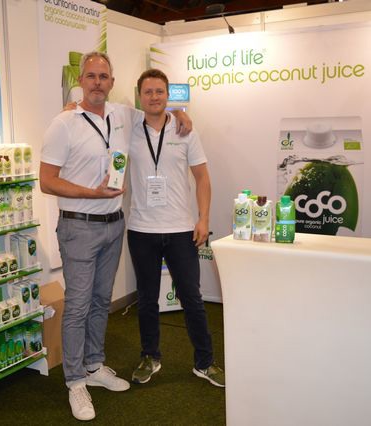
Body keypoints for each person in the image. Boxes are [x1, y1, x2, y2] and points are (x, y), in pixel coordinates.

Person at [40, 52, 191, 422]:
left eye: (103, 76)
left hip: (113, 225)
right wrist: (92, 194)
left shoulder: (122, 114)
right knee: (77, 305)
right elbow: (47, 181)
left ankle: (94, 365)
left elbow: (156, 111)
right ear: (81, 80)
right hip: (78, 225)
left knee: (100, 301)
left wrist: (181, 113)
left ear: (112, 81)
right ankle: (75, 381)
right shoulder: (64, 123)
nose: (97, 82)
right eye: (91, 76)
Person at [127, 69, 225, 388]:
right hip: (141, 230)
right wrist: (72, 107)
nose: (154, 97)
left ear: (168, 95)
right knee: (146, 299)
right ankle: (150, 356)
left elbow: (203, 178)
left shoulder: (185, 131)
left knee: (192, 297)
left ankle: (204, 362)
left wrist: (203, 219)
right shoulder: (128, 127)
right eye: (148, 92)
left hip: (181, 229)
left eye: (159, 91)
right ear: (139, 96)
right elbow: (97, 109)